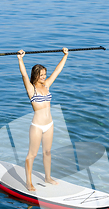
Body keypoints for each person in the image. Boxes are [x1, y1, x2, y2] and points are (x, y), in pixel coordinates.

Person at [17, 47, 69, 191]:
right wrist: (20, 59)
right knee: (32, 154)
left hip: (49, 124)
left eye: (44, 74)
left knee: (47, 152)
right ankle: (28, 182)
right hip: (37, 126)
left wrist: (65, 55)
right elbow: (23, 75)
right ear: (35, 76)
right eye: (41, 75)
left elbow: (57, 71)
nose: (44, 77)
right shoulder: (31, 89)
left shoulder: (46, 85)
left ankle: (48, 177)